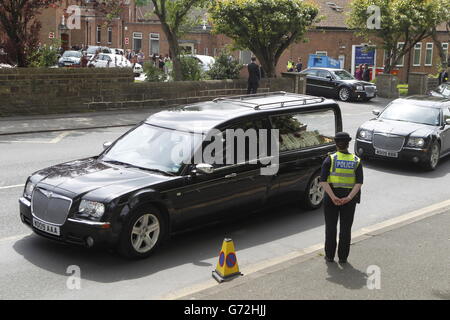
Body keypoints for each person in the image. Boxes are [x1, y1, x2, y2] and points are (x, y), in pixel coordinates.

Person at [320, 132, 363, 264]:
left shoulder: (330, 159)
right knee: (345, 229)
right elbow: (359, 183)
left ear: (336, 143)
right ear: (348, 144)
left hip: (331, 198)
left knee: (331, 228)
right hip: (349, 199)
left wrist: (333, 197)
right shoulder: (356, 160)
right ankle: (343, 257)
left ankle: (329, 256)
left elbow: (323, 181)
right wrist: (349, 198)